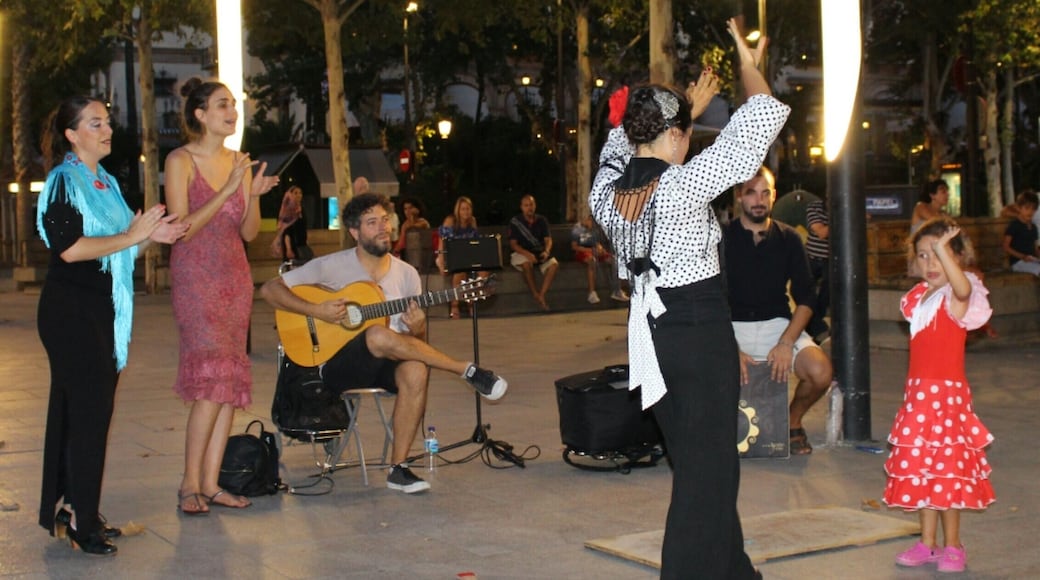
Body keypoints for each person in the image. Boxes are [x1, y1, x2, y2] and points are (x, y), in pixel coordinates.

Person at [588, 18, 789, 579]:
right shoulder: (685, 183)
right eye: (684, 133)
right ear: (677, 136)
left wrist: (680, 118)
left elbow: (625, 146)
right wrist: (747, 61)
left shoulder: (605, 192)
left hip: (653, 338)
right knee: (707, 477)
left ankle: (736, 573)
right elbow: (763, 112)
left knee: (703, 466)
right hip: (698, 334)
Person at [259, 193, 508, 494]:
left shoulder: (407, 274)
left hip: (383, 362)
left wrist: (418, 328)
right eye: (371, 222)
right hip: (335, 366)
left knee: (416, 369)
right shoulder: (330, 266)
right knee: (376, 334)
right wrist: (317, 310)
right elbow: (271, 290)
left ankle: (398, 469)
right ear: (354, 232)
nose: (382, 228)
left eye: (385, 220)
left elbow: (417, 346)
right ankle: (464, 369)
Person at [36, 96, 188, 554]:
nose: (107, 130)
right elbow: (69, 249)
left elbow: (116, 249)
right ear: (72, 134)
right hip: (71, 313)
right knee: (89, 418)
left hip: (104, 312)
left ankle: (69, 507)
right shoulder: (64, 181)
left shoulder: (105, 182)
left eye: (107, 122)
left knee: (80, 414)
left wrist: (149, 238)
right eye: (95, 123)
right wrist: (133, 236)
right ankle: (84, 523)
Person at [165, 77, 279, 515]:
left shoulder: (241, 162)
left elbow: (248, 232)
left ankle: (211, 483)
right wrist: (230, 190)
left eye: (234, 105)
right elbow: (182, 228)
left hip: (234, 279)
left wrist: (249, 194)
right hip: (196, 278)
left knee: (228, 383)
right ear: (200, 114)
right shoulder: (180, 160)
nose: (232, 112)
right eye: (222, 105)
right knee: (210, 381)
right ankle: (188, 483)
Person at [884, 216, 995, 573]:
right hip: (918, 400)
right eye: (923, 255)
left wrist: (944, 250)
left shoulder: (958, 296)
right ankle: (927, 543)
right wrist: (939, 249)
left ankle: (953, 545)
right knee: (922, 473)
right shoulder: (918, 298)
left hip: (947, 402)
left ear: (956, 258)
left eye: (939, 256)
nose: (930, 264)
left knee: (948, 473)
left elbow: (961, 289)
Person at [723, 167, 834, 456]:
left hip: (778, 326)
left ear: (773, 196)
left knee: (821, 372)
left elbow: (807, 298)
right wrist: (729, 348)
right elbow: (712, 300)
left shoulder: (789, 239)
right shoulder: (721, 240)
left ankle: (792, 423)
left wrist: (786, 342)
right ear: (739, 197)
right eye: (751, 192)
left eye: (765, 193)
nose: (758, 200)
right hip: (731, 327)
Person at [436, 196, 486, 319]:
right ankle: (457, 305)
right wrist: (441, 260)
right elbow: (442, 242)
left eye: (468, 209)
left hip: (468, 255)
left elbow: (474, 242)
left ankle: (470, 300)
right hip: (450, 254)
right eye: (463, 209)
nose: (466, 212)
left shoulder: (472, 221)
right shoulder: (450, 221)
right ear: (458, 210)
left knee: (484, 273)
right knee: (461, 272)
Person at [508, 194, 559, 311]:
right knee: (526, 264)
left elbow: (548, 239)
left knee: (554, 265)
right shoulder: (515, 222)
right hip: (522, 252)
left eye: (531, 205)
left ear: (535, 205)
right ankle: (535, 293)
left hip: (539, 251)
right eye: (526, 205)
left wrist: (546, 251)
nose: (529, 208)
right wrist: (527, 254)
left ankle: (541, 294)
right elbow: (513, 244)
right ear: (521, 207)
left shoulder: (541, 220)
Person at [570, 213, 628, 304]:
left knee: (615, 260)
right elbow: (574, 247)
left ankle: (617, 290)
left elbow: (596, 243)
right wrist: (590, 250)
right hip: (582, 251)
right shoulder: (577, 229)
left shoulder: (595, 229)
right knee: (592, 260)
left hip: (593, 251)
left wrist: (600, 249)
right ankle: (591, 293)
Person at [804, 197, 830, 342]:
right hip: (812, 258)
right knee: (806, 293)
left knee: (826, 296)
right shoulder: (814, 207)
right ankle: (818, 328)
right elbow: (821, 232)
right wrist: (843, 217)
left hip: (830, 260)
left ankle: (813, 327)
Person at [1002, 190, 1040, 276]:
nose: (1030, 212)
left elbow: (1035, 248)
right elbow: (1006, 246)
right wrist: (1022, 256)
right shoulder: (1015, 225)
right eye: (1027, 208)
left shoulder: (1033, 227)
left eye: (1033, 209)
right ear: (1019, 208)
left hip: (1032, 260)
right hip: (1018, 262)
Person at [270, 185, 309, 262]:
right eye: (295, 193)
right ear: (290, 195)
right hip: (292, 246)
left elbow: (302, 228)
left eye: (300, 193)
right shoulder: (289, 210)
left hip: (301, 245)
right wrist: (289, 249)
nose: (299, 195)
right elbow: (286, 232)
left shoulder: (300, 209)